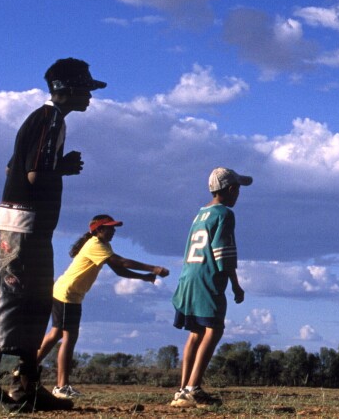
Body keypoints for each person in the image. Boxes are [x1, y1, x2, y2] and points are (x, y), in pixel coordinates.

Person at [0, 58, 104, 412]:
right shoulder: (50, 118)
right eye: (85, 88)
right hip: (26, 226)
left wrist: (57, 167)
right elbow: (32, 174)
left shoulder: (45, 120)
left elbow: (15, 166)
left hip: (25, 225)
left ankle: (23, 385)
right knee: (14, 297)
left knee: (30, 299)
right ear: (67, 89)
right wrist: (61, 168)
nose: (89, 96)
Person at [36, 214, 170, 400]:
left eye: (114, 227)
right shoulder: (94, 245)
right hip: (68, 294)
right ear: (99, 230)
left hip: (67, 292)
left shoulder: (103, 246)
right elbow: (121, 262)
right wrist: (153, 268)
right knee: (69, 337)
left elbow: (119, 270)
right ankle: (61, 387)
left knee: (56, 333)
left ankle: (25, 369)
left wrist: (144, 278)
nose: (114, 230)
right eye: (110, 227)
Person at [169, 167, 251, 408]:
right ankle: (193, 389)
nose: (238, 195)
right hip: (207, 278)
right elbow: (222, 254)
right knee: (213, 330)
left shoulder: (200, 214)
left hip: (188, 277)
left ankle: (183, 390)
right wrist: (236, 285)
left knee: (196, 332)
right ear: (231, 189)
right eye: (238, 190)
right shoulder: (224, 214)